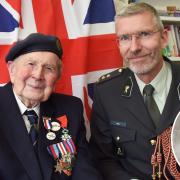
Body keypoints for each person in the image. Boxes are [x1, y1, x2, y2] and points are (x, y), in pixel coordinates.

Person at [90, 2, 180, 180]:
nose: (134, 47)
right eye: (125, 38)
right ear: (118, 43)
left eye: (144, 34)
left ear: (163, 37)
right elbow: (103, 158)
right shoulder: (107, 92)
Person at [0, 33, 102, 180]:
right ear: (12, 69)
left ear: (57, 77)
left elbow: (83, 169)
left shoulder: (70, 108)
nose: (38, 75)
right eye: (31, 64)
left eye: (49, 68)